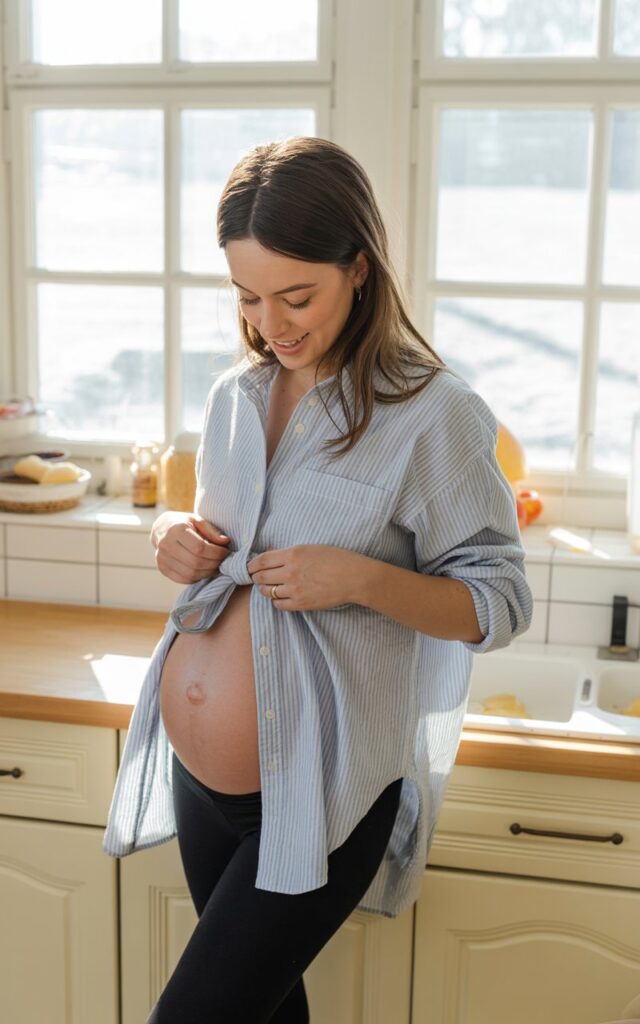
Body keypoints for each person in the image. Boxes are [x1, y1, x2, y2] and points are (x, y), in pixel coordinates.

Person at [102, 136, 533, 1023]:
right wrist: (169, 534)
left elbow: (499, 599)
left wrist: (364, 579)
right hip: (203, 784)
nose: (272, 322)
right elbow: (219, 535)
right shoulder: (237, 395)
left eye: (298, 295)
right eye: (249, 297)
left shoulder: (433, 415)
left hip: (319, 793)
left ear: (360, 269)